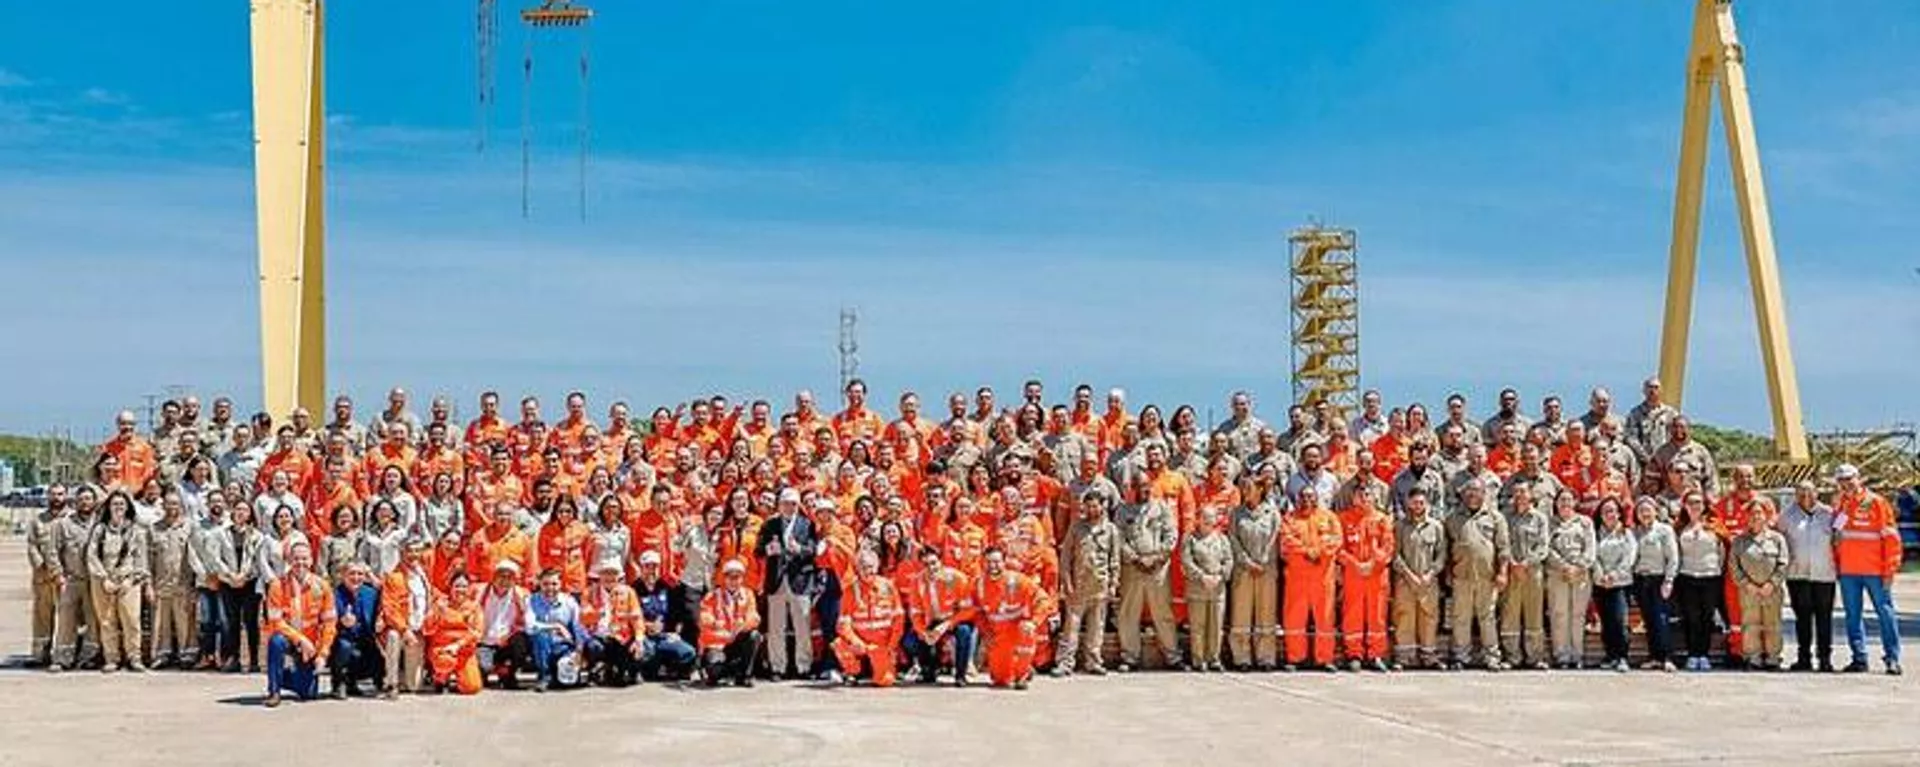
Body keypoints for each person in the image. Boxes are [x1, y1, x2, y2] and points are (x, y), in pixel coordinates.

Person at [1831, 464, 1903, 675]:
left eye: (1849, 479)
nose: (1846, 484)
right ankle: (1859, 658)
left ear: (1859, 478)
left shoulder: (1877, 503)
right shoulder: (1841, 504)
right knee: (1852, 616)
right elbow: (1836, 538)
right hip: (1848, 572)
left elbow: (1891, 539)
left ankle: (1892, 658)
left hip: (1876, 572)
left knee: (1885, 613)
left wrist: (1890, 570)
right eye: (1841, 481)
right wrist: (1837, 566)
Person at [1114, 476, 1179, 671]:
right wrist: (1135, 558)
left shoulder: (1161, 508)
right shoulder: (1123, 510)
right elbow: (1118, 537)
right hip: (1133, 567)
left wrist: (1158, 557)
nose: (1144, 489)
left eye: (1146, 485)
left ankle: (1172, 655)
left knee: (1163, 613)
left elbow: (1171, 534)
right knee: (1128, 613)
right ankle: (1129, 657)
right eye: (1140, 485)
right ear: (1133, 487)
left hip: (1157, 568)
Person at [1446, 480, 1510, 671]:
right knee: (1461, 617)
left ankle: (1491, 656)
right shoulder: (1453, 518)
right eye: (1469, 491)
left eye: (1477, 491)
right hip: (1462, 576)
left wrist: (1502, 573)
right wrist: (1449, 573)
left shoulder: (1495, 517)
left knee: (1487, 617)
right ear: (1464, 494)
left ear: (1484, 494)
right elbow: (1447, 547)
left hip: (1487, 576)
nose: (1473, 494)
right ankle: (1460, 656)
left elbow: (1503, 548)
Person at [264, 541, 336, 707]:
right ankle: (274, 690)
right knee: (276, 641)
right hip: (290, 639)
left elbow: (329, 623)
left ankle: (285, 675)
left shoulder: (322, 586)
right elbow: (275, 622)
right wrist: (300, 640)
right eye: (296, 559)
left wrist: (323, 653)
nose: (300, 563)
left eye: (304, 558)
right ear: (289, 560)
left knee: (308, 693)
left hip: (312, 643)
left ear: (311, 560)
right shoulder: (277, 585)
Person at [1055, 492, 1119, 677]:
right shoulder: (1076, 528)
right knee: (1071, 627)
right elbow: (1066, 557)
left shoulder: (1111, 530)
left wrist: (1113, 584)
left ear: (1102, 506)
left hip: (1100, 586)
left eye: (1095, 506)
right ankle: (1065, 663)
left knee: (1096, 627)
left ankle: (1093, 661)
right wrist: (1066, 582)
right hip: (1078, 586)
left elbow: (1114, 560)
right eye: (1088, 506)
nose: (1092, 510)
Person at [757, 488, 818, 680]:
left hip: (800, 580)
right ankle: (777, 667)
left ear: (798, 505)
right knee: (776, 627)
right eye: (785, 503)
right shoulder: (770, 525)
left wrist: (800, 549)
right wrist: (768, 550)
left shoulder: (807, 524)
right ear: (779, 505)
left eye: (793, 504)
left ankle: (804, 666)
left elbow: (814, 549)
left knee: (802, 627)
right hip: (776, 581)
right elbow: (758, 550)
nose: (789, 507)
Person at [1280, 484, 1342, 671]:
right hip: (1297, 576)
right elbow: (1286, 541)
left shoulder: (1329, 517)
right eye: (1303, 497)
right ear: (1298, 499)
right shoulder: (1290, 518)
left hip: (1322, 577)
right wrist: (1307, 552)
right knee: (1294, 618)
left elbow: (1337, 540)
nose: (1307, 500)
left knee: (1325, 618)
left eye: (1311, 496)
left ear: (1317, 498)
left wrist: (1318, 552)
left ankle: (1325, 658)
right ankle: (1294, 657)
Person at [1776, 481, 1837, 672]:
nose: (1805, 497)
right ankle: (1804, 657)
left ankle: (1825, 658)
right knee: (1802, 618)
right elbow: (1779, 540)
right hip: (1797, 574)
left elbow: (1840, 538)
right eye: (1801, 493)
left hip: (1824, 574)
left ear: (1817, 493)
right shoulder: (1786, 516)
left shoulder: (1830, 514)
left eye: (1810, 492)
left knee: (1824, 618)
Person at [87, 491, 151, 673]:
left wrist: (131, 579)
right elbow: (91, 555)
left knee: (131, 620)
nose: (118, 508)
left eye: (122, 504)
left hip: (128, 581)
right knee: (107, 620)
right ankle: (111, 658)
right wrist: (103, 578)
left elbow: (141, 559)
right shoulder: (99, 530)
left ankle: (134, 656)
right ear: (108, 507)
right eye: (115, 504)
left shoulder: (135, 531)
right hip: (103, 580)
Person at [1336, 485, 1394, 672]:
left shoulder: (1382, 519)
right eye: (1360, 494)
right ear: (1353, 498)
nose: (1364, 498)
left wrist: (1373, 565)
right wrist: (1355, 564)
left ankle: (1376, 654)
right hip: (1353, 575)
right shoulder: (1344, 519)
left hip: (1376, 575)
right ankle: (1354, 654)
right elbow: (1339, 548)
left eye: (1368, 494)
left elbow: (1388, 547)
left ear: (1374, 498)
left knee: (1377, 616)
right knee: (1352, 614)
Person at [1228, 474, 1282, 671]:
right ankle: (1242, 657)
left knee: (1265, 614)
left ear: (1260, 489)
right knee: (1241, 614)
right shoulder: (1236, 513)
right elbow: (1233, 539)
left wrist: (1263, 561)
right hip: (1243, 570)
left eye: (1249, 488)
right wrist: (1247, 561)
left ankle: (1265, 657)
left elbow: (1274, 540)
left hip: (1266, 570)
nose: (1245, 492)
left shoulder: (1272, 513)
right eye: (1243, 488)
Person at [903, 545, 979, 685]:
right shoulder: (916, 582)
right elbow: (915, 613)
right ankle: (930, 670)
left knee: (964, 632)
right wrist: (923, 632)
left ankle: (960, 674)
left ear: (940, 562)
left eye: (934, 563)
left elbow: (968, 610)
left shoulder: (957, 578)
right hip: (931, 621)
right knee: (910, 641)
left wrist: (947, 624)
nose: (931, 568)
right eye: (926, 564)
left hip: (954, 620)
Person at [1729, 499, 1790, 671]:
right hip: (1749, 591)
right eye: (1752, 513)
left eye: (1759, 513)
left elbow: (1783, 563)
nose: (1756, 516)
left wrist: (1772, 583)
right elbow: (1734, 565)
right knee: (1750, 625)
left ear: (1766, 515)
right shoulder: (1740, 541)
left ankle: (1773, 658)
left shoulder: (1777, 539)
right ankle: (1753, 658)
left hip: (1772, 590)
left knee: (1773, 624)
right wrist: (1747, 584)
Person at [831, 549, 906, 686]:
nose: (867, 571)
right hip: (860, 643)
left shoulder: (888, 586)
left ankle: (878, 669)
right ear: (857, 569)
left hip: (882, 645)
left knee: (885, 682)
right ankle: (853, 673)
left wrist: (891, 645)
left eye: (870, 566)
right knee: (839, 644)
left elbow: (898, 620)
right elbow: (843, 624)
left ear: (877, 566)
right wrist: (855, 641)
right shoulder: (850, 590)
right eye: (863, 567)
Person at [974, 547, 1046, 689]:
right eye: (988, 562)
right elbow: (976, 612)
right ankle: (1017, 667)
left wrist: (1034, 622)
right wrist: (986, 632)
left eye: (996, 562)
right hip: (998, 635)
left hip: (1018, 630)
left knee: (1027, 631)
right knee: (1000, 680)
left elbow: (1042, 599)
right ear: (983, 563)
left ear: (1004, 562)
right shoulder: (978, 585)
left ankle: (1022, 674)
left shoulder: (1018, 580)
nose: (993, 566)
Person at [1391, 488, 1447, 670]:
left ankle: (1428, 655)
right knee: (1404, 617)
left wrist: (1430, 574)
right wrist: (1409, 575)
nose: (1418, 506)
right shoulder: (1400, 526)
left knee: (1429, 617)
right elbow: (1395, 555)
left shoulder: (1436, 527)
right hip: (1405, 580)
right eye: (1414, 502)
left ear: (1427, 504)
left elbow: (1441, 555)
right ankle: (1404, 657)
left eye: (1421, 502)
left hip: (1428, 581)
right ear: (1408, 503)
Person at [49, 485, 101, 672]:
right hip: (71, 580)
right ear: (75, 502)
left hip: (94, 581)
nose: (85, 503)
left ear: (94, 502)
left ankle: (89, 657)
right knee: (66, 621)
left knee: (93, 621)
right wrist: (58, 576)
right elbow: (53, 551)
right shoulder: (63, 524)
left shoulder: (100, 524)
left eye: (88, 499)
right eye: (81, 499)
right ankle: (62, 658)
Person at [1544, 489, 1597, 669]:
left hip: (1580, 574)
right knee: (1559, 614)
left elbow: (1590, 548)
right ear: (1556, 503)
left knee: (1578, 615)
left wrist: (1579, 566)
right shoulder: (1550, 523)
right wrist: (1563, 566)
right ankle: (1561, 655)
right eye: (1561, 500)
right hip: (1557, 573)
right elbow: (1546, 548)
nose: (1565, 503)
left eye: (1569, 499)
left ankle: (1577, 654)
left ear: (1575, 501)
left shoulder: (1585, 522)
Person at [1673, 490, 1724, 672]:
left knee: (1707, 617)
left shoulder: (1714, 526)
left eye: (1698, 503)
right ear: (1685, 506)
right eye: (1691, 503)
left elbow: (1722, 552)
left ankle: (1704, 654)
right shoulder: (1679, 527)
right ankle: (1692, 654)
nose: (1695, 506)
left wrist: (1718, 570)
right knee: (1691, 617)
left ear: (1704, 506)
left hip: (1710, 577)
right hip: (1687, 577)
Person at [631, 551, 699, 681]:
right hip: (642, 636)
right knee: (648, 655)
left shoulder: (666, 587)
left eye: (655, 567)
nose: (651, 571)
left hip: (663, 635)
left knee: (688, 652)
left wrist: (673, 632)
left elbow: (675, 614)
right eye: (647, 566)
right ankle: (645, 668)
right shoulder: (633, 589)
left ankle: (669, 667)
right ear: (641, 568)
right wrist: (646, 626)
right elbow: (629, 616)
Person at [378, 540, 434, 697]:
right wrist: (404, 630)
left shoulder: (424, 575)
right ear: (402, 553)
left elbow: (431, 598)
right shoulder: (393, 577)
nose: (413, 555)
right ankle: (391, 683)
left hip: (419, 629)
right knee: (393, 637)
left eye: (417, 551)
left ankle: (405, 677)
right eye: (409, 551)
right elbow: (390, 609)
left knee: (413, 686)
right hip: (401, 629)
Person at [148, 494, 197, 669]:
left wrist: (194, 585)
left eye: (175, 503)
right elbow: (148, 559)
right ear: (163, 506)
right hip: (161, 582)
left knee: (185, 622)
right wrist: (149, 584)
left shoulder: (189, 527)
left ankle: (187, 654)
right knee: (161, 623)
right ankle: (162, 654)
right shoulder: (154, 529)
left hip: (183, 583)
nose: (172, 507)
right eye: (168, 503)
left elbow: (195, 557)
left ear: (181, 505)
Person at [1181, 505, 1232, 672]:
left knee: (1216, 626)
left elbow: (1229, 560)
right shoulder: (1190, 539)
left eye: (1211, 518)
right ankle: (1199, 659)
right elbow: (1186, 561)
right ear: (1199, 519)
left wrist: (1220, 576)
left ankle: (1214, 658)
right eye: (1205, 517)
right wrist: (1202, 576)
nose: (1209, 521)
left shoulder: (1222, 539)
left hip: (1217, 589)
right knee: (1198, 626)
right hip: (1198, 589)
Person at [1631, 497, 1679, 672]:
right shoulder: (1635, 532)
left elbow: (1673, 557)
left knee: (1661, 619)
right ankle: (1654, 657)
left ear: (1655, 511)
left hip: (1659, 579)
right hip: (1640, 580)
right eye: (1640, 511)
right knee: (1649, 620)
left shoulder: (1664, 530)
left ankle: (1667, 657)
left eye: (1648, 510)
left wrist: (1669, 580)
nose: (1644, 513)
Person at [188, 492, 235, 669]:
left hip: (224, 581)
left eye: (220, 500)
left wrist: (221, 575)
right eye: (213, 500)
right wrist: (204, 575)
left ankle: (224, 656)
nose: (217, 504)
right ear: (207, 503)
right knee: (206, 620)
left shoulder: (230, 525)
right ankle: (207, 655)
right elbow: (192, 552)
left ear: (225, 503)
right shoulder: (198, 526)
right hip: (205, 580)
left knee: (224, 620)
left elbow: (231, 555)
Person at [698, 559, 763, 688]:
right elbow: (704, 619)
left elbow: (754, 617)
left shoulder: (748, 594)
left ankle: (745, 676)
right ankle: (720, 672)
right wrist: (715, 623)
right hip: (718, 644)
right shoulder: (712, 596)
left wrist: (744, 625)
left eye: (737, 577)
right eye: (729, 577)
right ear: (724, 578)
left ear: (742, 579)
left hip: (736, 641)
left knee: (754, 636)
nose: (733, 581)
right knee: (714, 671)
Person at [1591, 498, 1637, 672]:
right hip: (1601, 582)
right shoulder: (1596, 533)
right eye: (1605, 511)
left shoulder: (1626, 533)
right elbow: (1593, 556)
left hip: (1620, 583)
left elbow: (1629, 558)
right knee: (1607, 622)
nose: (1609, 515)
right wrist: (1601, 574)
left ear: (1619, 513)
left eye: (1612, 511)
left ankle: (1622, 656)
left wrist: (1615, 575)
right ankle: (1610, 655)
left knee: (1620, 621)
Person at [24, 485, 68, 668]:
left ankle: (63, 653)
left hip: (66, 578)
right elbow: (32, 545)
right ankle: (40, 653)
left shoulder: (71, 519)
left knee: (67, 617)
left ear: (66, 496)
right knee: (42, 616)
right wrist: (41, 565)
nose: (56, 498)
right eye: (53, 494)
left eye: (60, 494)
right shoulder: (38, 520)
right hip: (43, 578)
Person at [581, 562, 645, 686]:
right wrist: (598, 613)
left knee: (638, 649)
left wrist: (639, 639)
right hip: (598, 636)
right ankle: (595, 671)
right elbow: (584, 618)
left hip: (621, 637)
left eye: (613, 573)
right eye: (605, 573)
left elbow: (637, 617)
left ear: (619, 577)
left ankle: (629, 670)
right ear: (599, 575)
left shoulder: (628, 592)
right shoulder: (589, 592)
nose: (609, 577)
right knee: (592, 646)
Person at [524, 568, 588, 692]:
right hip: (541, 648)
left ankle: (562, 673)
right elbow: (530, 626)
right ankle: (544, 675)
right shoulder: (531, 600)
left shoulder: (570, 602)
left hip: (563, 646)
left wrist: (579, 652)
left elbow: (578, 627)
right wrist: (556, 626)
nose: (550, 588)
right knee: (540, 635)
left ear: (561, 584)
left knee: (566, 682)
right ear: (539, 584)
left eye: (554, 584)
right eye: (545, 584)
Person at [424, 570, 485, 695]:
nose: (460, 589)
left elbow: (477, 633)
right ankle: (440, 678)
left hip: (464, 651)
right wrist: (437, 613)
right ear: (450, 587)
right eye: (457, 586)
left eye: (464, 586)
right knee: (445, 662)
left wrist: (457, 645)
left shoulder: (474, 607)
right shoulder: (441, 604)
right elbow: (427, 629)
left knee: (473, 687)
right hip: (442, 650)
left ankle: (460, 679)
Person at [329, 562, 384, 697]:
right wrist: (341, 622)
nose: (356, 577)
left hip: (365, 640)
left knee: (377, 653)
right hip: (341, 641)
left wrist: (380, 618)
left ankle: (356, 682)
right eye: (352, 574)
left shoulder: (371, 593)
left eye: (360, 574)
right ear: (343, 576)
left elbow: (384, 604)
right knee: (345, 646)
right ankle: (339, 682)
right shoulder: (335, 595)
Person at [477, 561, 532, 688]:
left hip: (507, 641)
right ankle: (485, 670)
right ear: (494, 577)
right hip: (484, 641)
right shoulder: (479, 591)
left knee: (521, 642)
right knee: (481, 673)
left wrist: (509, 634)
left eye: (509, 577)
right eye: (501, 576)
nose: (505, 581)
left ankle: (508, 672)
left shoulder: (522, 594)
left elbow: (527, 622)